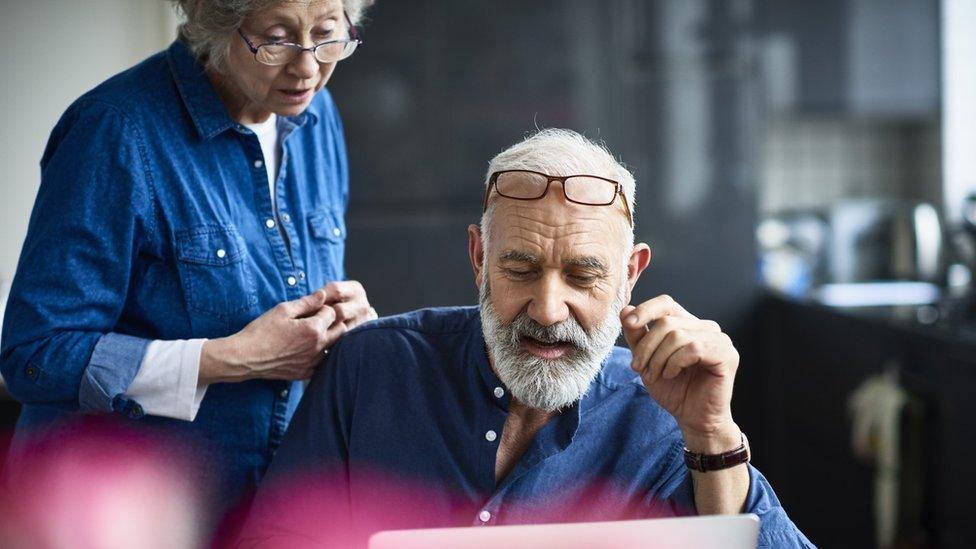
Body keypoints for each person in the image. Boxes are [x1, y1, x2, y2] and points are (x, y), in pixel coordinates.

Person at [237, 129, 814, 548]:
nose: (547, 307)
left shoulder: (665, 409)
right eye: (520, 269)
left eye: (584, 275)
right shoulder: (369, 368)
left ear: (630, 276)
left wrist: (713, 434)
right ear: (479, 258)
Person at [0, 0, 376, 515]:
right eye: (277, 39)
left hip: (266, 507)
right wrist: (231, 359)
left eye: (328, 34)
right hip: (123, 515)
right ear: (212, 18)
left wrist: (342, 327)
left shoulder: (316, 114)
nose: (307, 66)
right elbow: (36, 355)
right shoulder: (114, 130)